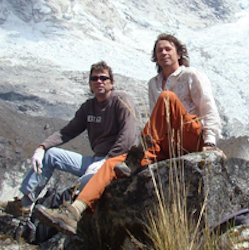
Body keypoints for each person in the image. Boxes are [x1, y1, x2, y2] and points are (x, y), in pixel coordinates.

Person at [35, 33, 223, 234]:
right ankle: (74, 211)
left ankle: (138, 155)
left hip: (190, 135)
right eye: (159, 50)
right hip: (166, 143)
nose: (163, 53)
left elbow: (208, 109)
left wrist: (210, 143)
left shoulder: (191, 75)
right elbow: (156, 119)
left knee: (167, 98)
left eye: (168, 48)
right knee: (112, 163)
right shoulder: (153, 83)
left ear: (179, 53)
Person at [0, 61, 139, 217]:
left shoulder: (121, 101)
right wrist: (42, 148)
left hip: (117, 162)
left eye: (103, 78)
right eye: (94, 79)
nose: (99, 82)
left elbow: (129, 135)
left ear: (111, 83)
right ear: (90, 84)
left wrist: (107, 161)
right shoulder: (88, 107)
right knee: (51, 155)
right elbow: (67, 131)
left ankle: (71, 214)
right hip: (95, 161)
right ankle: (24, 205)